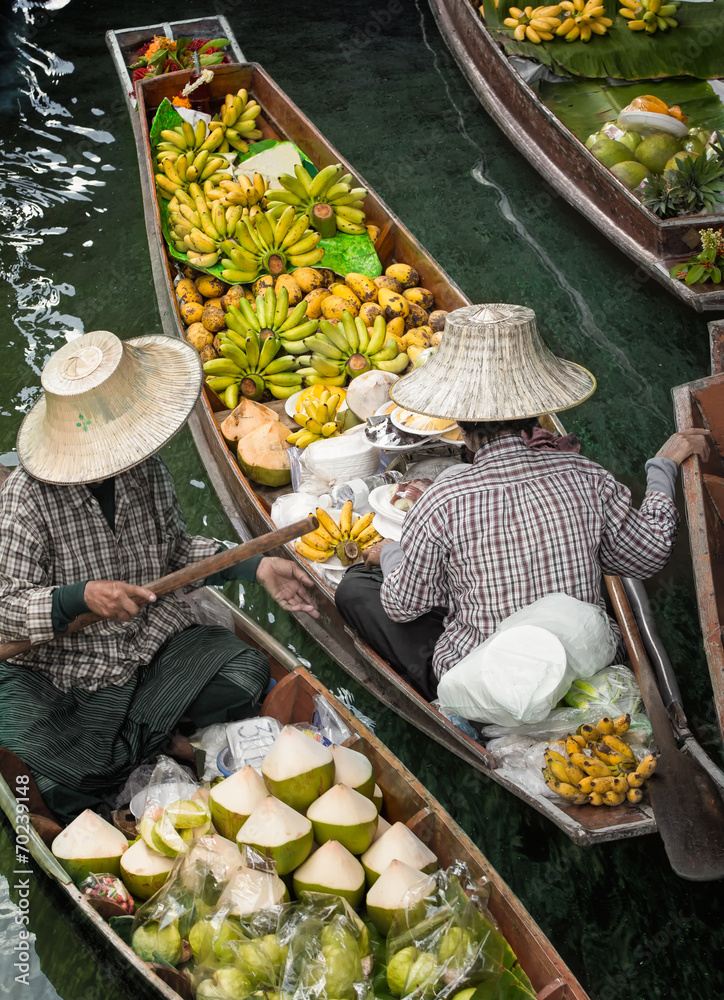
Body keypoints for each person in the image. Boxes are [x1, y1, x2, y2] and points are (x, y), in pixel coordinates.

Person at [0, 330, 317, 825]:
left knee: (245, 675)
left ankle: (160, 745)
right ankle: (161, 747)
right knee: (62, 783)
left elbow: (175, 554)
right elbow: (7, 607)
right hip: (69, 670)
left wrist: (256, 567)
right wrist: (76, 598)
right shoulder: (25, 497)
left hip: (149, 644)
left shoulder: (144, 469)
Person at [335, 303, 709, 702]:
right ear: (535, 414)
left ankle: (449, 703)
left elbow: (402, 606)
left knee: (356, 588)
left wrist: (392, 555)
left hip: (491, 686)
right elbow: (647, 554)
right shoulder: (586, 474)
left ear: (460, 426)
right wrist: (663, 466)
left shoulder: (443, 498)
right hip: (581, 664)